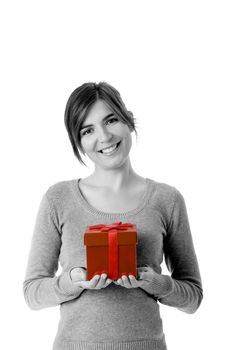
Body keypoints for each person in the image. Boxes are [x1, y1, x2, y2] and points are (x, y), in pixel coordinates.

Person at [23, 82, 203, 350]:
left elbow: (193, 298)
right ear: (79, 143)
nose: (104, 137)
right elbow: (32, 293)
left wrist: (154, 282)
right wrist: (71, 282)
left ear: (128, 120)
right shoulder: (58, 199)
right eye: (88, 130)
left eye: (111, 120)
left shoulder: (167, 199)